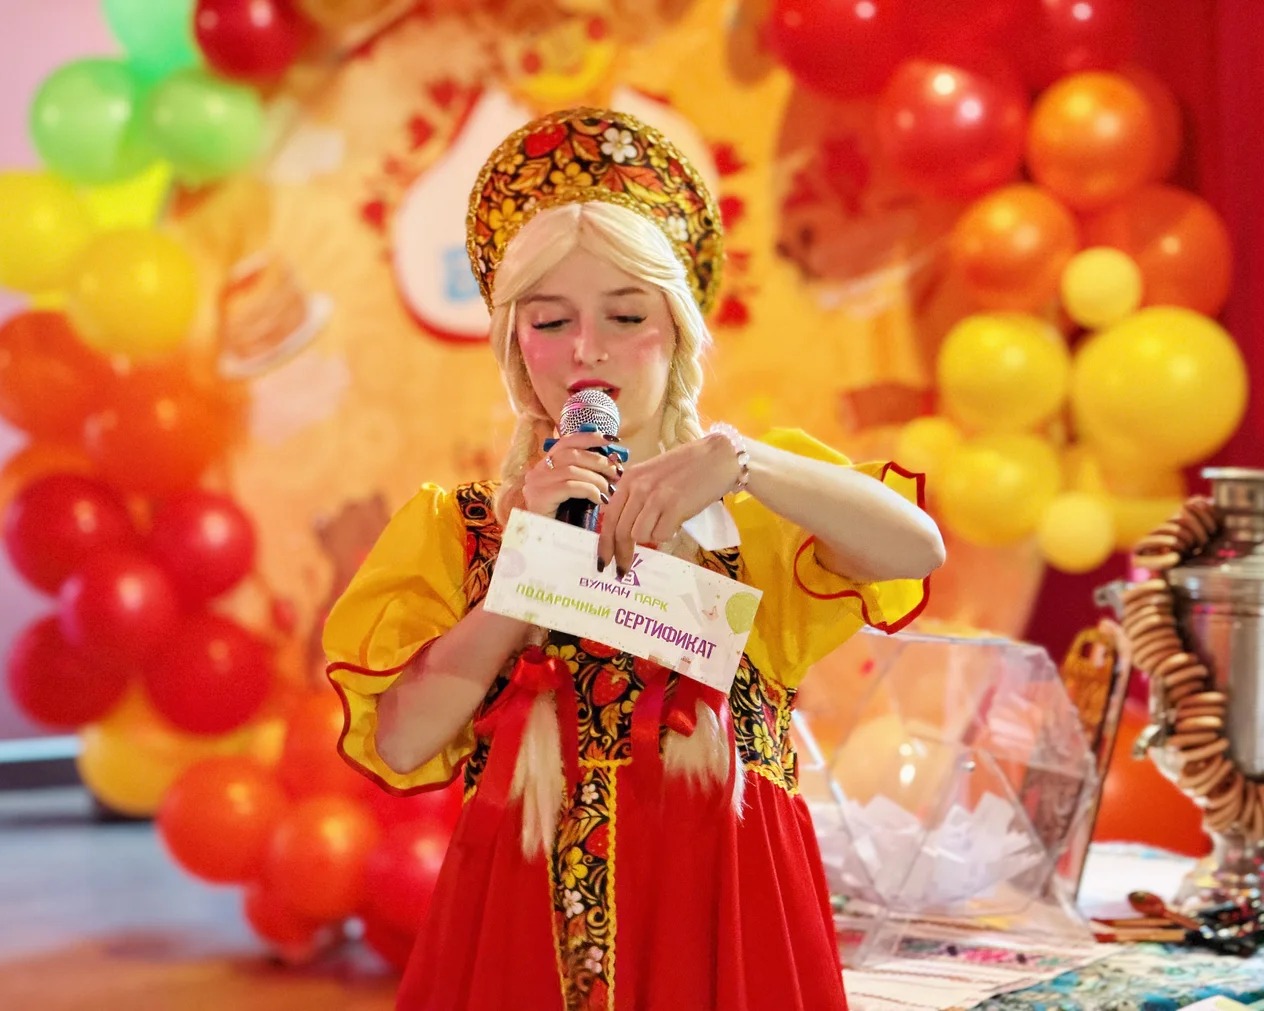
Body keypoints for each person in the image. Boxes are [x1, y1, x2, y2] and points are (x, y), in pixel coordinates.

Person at [324, 107, 945, 1011]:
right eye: (550, 320)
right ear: (514, 343)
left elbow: (916, 547)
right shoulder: (465, 526)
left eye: (625, 315)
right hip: (526, 918)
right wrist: (527, 571)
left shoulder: (748, 507)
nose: (588, 349)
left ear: (678, 329)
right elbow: (403, 738)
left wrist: (744, 460)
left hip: (724, 907)